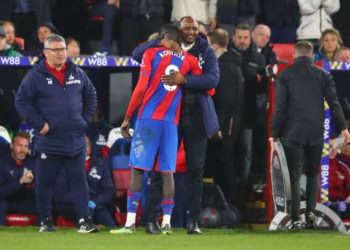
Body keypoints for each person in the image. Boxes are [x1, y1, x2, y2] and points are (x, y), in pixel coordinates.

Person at [110, 23, 203, 235]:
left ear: (162, 37)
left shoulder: (151, 53)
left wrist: (126, 118)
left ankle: (130, 223)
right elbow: (209, 86)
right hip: (171, 123)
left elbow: (141, 88)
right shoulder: (190, 60)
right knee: (167, 172)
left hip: (148, 119)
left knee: (137, 169)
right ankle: (167, 223)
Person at [132, 16, 220, 235]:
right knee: (158, 170)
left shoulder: (206, 51)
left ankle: (193, 222)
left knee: (195, 171)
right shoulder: (167, 46)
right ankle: (151, 220)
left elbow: (212, 79)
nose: (191, 31)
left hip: (197, 118)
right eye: (186, 28)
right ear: (178, 30)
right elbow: (136, 55)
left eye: (194, 28)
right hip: (169, 119)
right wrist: (159, 42)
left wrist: (185, 80)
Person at [15, 34, 98, 233]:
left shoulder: (76, 72)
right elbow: (21, 101)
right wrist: (39, 124)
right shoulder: (35, 76)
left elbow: (91, 95)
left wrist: (84, 120)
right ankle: (45, 221)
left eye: (63, 49)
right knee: (45, 183)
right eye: (57, 50)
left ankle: (84, 221)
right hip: (49, 141)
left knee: (80, 182)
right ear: (46, 52)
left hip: (75, 140)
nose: (61, 53)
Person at [270, 41, 350, 230]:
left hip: (292, 132)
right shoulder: (323, 74)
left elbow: (279, 108)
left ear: (294, 55)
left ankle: (296, 218)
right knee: (314, 174)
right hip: (316, 132)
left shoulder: (285, 75)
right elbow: (334, 104)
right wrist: (343, 129)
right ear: (312, 55)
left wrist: (274, 133)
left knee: (295, 176)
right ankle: (311, 215)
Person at [205, 28, 243, 204]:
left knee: (224, 164)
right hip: (226, 123)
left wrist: (217, 126)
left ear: (213, 46)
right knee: (222, 163)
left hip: (225, 125)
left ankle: (229, 207)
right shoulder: (231, 63)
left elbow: (226, 101)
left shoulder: (226, 67)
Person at [230, 23, 266, 203]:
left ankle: (242, 193)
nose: (242, 41)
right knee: (227, 154)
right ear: (233, 38)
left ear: (250, 38)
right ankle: (227, 191)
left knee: (246, 153)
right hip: (227, 116)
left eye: (245, 38)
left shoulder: (258, 59)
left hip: (248, 116)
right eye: (239, 37)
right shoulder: (226, 57)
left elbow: (263, 88)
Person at [54, 136, 116, 228]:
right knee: (84, 218)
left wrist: (94, 202)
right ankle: (83, 231)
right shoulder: (66, 166)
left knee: (111, 226)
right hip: (72, 206)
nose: (84, 147)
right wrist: (81, 200)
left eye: (86, 144)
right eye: (81, 144)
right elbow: (60, 194)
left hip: (96, 205)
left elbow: (109, 191)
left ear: (91, 147)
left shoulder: (100, 165)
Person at [0, 131, 36, 226]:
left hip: (24, 201)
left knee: (43, 204)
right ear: (11, 145)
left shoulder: (33, 162)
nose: (23, 150)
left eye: (26, 146)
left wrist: (31, 183)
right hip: (6, 201)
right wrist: (20, 182)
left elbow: (39, 191)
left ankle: (41, 235)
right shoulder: (2, 162)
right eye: (19, 145)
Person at [328, 137, 350, 219]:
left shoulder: (342, 166)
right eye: (330, 147)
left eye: (336, 147)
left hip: (343, 204)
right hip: (324, 206)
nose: (334, 150)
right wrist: (330, 203)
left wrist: (345, 203)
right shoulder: (316, 166)